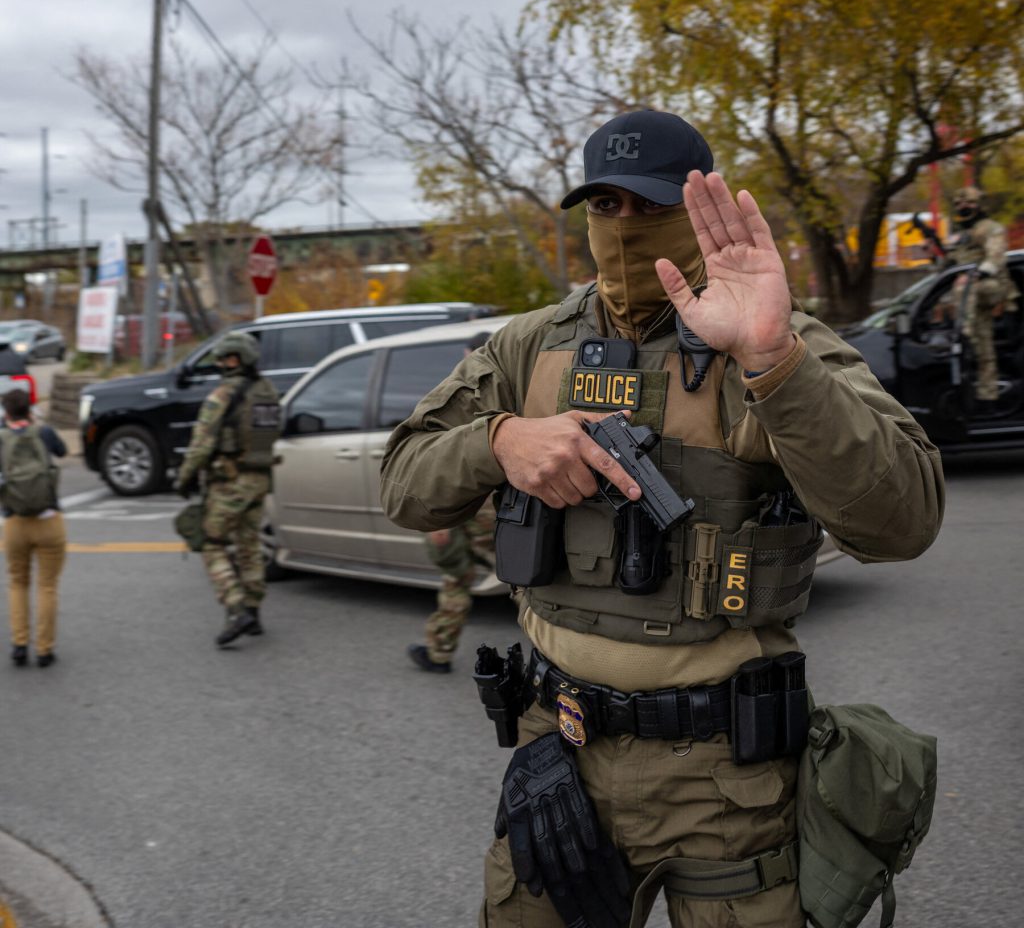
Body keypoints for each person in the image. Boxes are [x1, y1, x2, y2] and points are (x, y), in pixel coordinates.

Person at [380, 109, 945, 928]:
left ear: (695, 208)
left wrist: (774, 363)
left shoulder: (771, 339)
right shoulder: (532, 346)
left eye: (649, 206)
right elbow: (405, 481)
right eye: (604, 206)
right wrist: (499, 441)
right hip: (559, 746)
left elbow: (906, 521)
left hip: (723, 776)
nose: (624, 227)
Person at [174, 331, 281, 647]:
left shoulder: (222, 396)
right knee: (249, 546)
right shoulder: (268, 392)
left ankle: (236, 608)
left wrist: (183, 478)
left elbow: (201, 445)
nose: (221, 363)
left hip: (230, 482)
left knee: (211, 543)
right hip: (260, 480)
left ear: (237, 359)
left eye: (225, 358)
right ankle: (254, 611)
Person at [408, 331, 496, 673]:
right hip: (503, 504)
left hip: (471, 505)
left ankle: (440, 652)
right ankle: (439, 651)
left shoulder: (462, 394)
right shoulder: (516, 386)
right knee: (526, 583)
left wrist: (439, 520)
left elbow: (444, 461)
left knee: (458, 579)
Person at [1, 388, 67, 668]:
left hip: (15, 522)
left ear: (5, 412)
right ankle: (44, 649)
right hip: (48, 520)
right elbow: (62, 451)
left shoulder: (1, 437)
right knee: (47, 586)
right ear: (30, 408)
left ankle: (19, 644)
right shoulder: (44, 433)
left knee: (18, 583)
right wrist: (39, 421)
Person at [946, 185, 1019, 407]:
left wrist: (978, 272)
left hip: (992, 287)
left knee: (963, 287)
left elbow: (996, 256)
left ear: (979, 205)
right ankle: (988, 397)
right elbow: (949, 266)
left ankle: (963, 332)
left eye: (968, 203)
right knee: (984, 347)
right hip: (973, 302)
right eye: (959, 204)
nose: (963, 207)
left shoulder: (991, 228)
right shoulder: (960, 235)